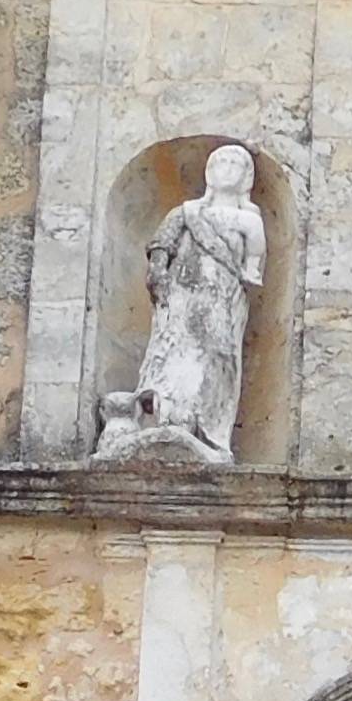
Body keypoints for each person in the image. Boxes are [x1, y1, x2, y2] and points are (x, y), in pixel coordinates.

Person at [100, 143, 264, 463]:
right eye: (220, 162)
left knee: (215, 359)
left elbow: (255, 257)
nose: (226, 168)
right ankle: (160, 414)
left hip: (222, 300)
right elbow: (162, 243)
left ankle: (207, 431)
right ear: (209, 172)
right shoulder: (186, 212)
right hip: (181, 297)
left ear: (246, 177)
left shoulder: (248, 219)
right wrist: (158, 273)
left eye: (235, 164)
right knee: (170, 352)